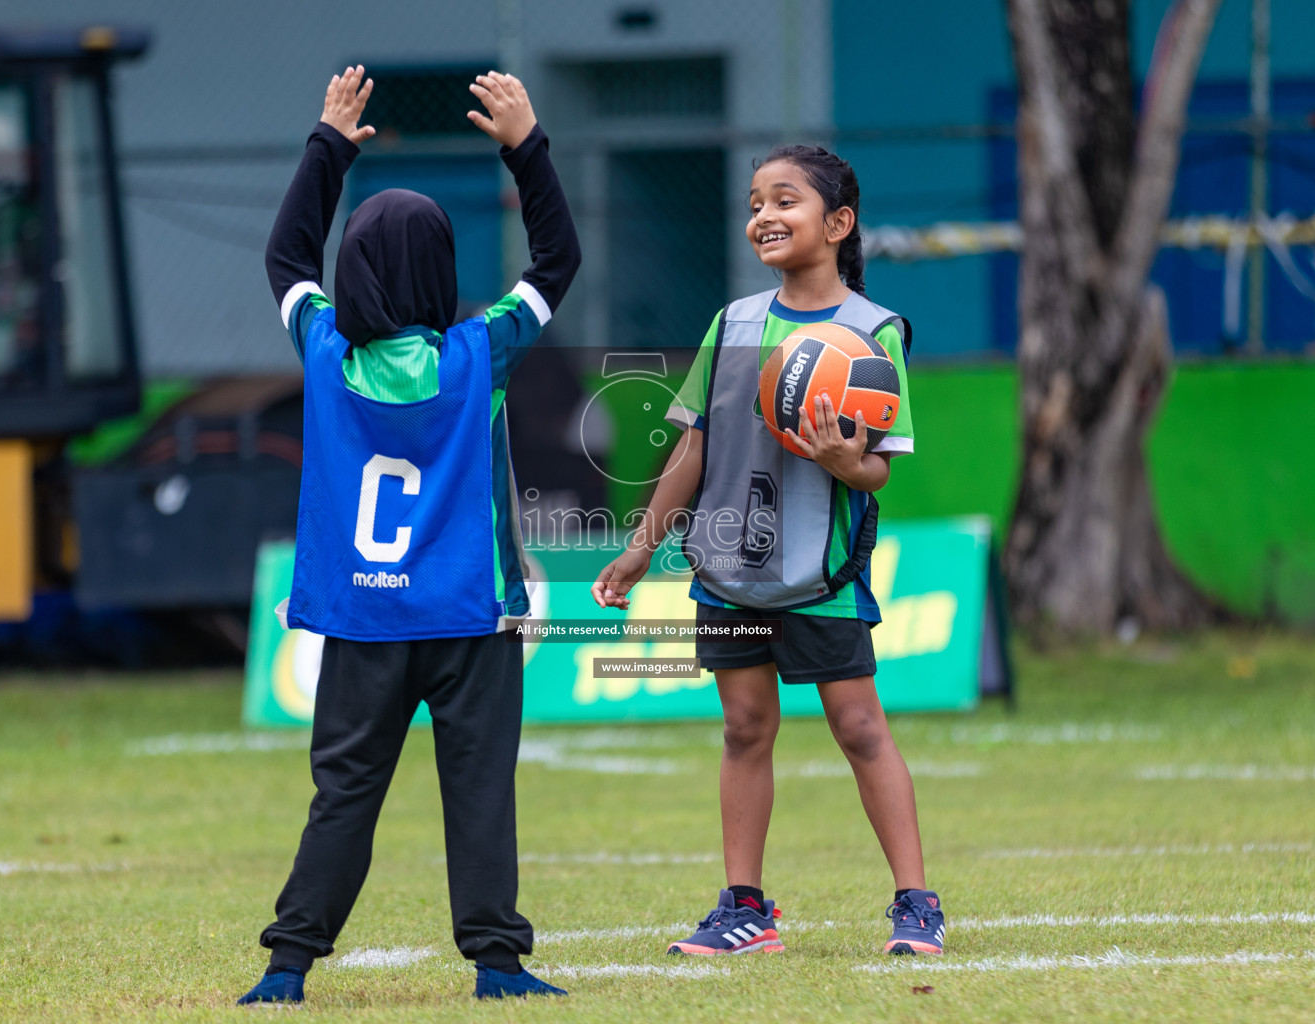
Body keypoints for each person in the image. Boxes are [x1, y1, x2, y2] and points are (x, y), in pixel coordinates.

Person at [238, 66, 579, 1005]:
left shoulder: (321, 349)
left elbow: (284, 261)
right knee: (479, 791)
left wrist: (329, 148)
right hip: (471, 618)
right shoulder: (481, 352)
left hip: (360, 622)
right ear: (445, 271)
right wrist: (526, 144)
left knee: (343, 795)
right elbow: (556, 263)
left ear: (349, 273)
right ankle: (499, 965)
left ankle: (287, 966)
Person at [590, 145, 944, 958]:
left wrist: (840, 461)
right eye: (754, 203)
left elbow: (878, 470)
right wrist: (643, 547)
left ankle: (915, 902)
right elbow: (694, 449)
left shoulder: (873, 332)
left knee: (859, 728)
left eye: (785, 200)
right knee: (745, 728)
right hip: (729, 571)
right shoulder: (734, 323)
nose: (763, 216)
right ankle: (744, 910)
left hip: (819, 577)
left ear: (839, 222)